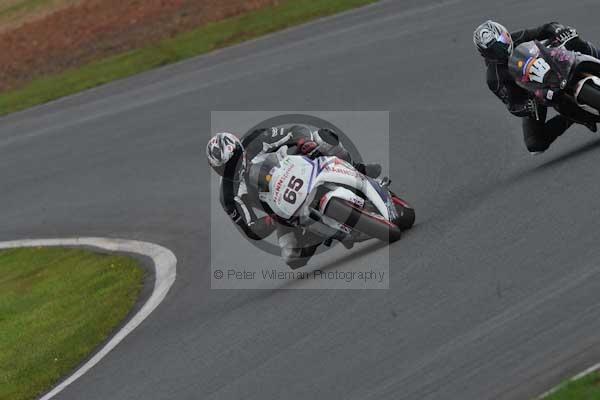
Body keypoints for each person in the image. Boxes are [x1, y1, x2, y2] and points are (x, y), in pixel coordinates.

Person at [206, 124, 382, 268]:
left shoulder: (256, 140)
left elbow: (294, 130)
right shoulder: (228, 196)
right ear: (217, 170)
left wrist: (304, 142)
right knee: (292, 256)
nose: (232, 168)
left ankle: (359, 169)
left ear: (240, 149)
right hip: (282, 211)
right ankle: (323, 234)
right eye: (224, 168)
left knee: (322, 138)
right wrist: (272, 220)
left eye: (234, 160)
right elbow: (251, 229)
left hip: (298, 168)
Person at [473, 20, 600, 153]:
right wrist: (526, 106)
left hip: (554, 63)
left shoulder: (519, 37)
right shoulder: (494, 77)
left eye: (501, 40)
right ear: (485, 55)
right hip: (535, 93)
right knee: (535, 143)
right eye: (494, 49)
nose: (501, 48)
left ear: (506, 34)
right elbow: (512, 104)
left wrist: (559, 30)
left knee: (576, 43)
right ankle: (571, 117)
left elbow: (545, 28)